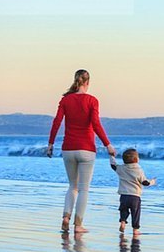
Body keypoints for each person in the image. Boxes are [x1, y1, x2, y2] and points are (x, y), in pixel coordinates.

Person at [47, 69, 116, 233]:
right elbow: (96, 124)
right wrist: (108, 145)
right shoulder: (92, 100)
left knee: (72, 186)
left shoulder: (66, 100)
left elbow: (57, 122)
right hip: (86, 149)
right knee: (84, 189)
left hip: (68, 149)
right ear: (88, 83)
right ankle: (78, 225)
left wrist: (50, 144)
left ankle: (65, 216)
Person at [110, 148, 156, 235]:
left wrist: (112, 156)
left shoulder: (121, 168)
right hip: (135, 196)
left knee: (123, 210)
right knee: (136, 213)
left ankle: (123, 222)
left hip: (123, 196)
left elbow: (113, 165)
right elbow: (145, 182)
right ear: (136, 159)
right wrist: (152, 182)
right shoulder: (138, 170)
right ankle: (135, 230)